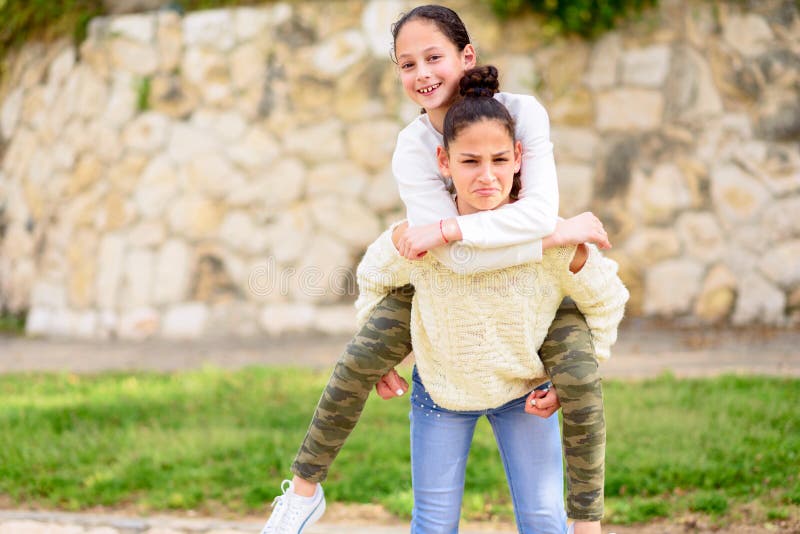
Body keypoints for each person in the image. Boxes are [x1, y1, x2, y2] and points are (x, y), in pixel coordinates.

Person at [261, 6, 612, 534]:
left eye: (434, 57)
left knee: (579, 381)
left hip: (531, 299)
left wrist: (478, 231)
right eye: (407, 64)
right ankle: (304, 491)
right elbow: (453, 259)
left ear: (466, 56)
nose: (422, 73)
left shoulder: (522, 114)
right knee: (359, 356)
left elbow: (535, 216)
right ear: (447, 163)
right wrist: (552, 233)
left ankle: (587, 525)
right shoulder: (415, 147)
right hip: (447, 294)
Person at [354, 66, 629, 533]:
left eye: (500, 160)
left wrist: (577, 374)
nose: (487, 176)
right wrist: (376, 351)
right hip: (441, 391)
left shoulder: (554, 239)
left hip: (523, 392)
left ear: (519, 157)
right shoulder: (426, 236)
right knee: (433, 524)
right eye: (469, 162)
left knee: (544, 519)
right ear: (444, 162)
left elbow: (606, 299)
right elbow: (374, 276)